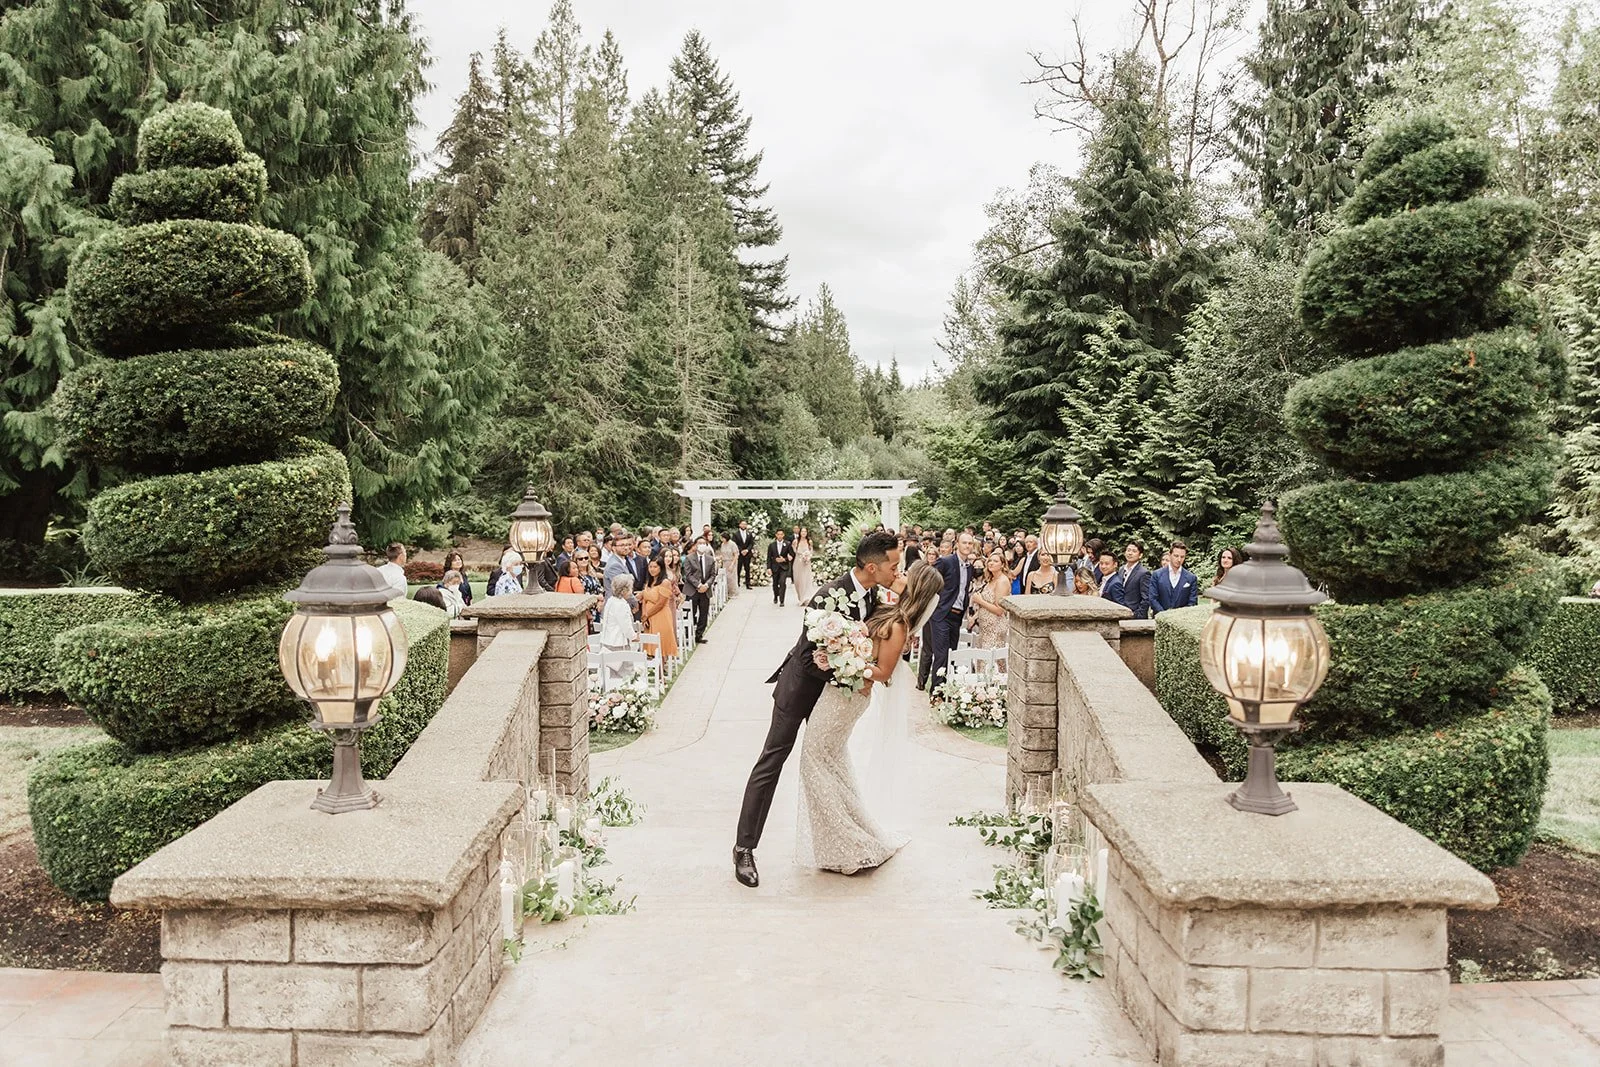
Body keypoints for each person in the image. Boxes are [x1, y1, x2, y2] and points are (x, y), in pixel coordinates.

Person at [734, 531, 903, 888]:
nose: (897, 571)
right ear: (873, 567)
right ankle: (744, 848)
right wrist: (854, 670)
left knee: (829, 762)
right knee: (772, 760)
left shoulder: (873, 596)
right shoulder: (827, 596)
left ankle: (843, 843)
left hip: (833, 699)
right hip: (800, 690)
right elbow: (810, 657)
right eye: (893, 565)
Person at [795, 561, 943, 875]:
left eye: (906, 574)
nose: (899, 574)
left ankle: (850, 843)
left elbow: (883, 672)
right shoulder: (886, 608)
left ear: (916, 587)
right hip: (839, 693)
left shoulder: (899, 624)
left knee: (813, 760)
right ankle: (849, 838)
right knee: (830, 762)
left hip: (847, 700)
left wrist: (843, 661)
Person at [918, 532, 978, 692]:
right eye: (964, 542)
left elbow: (964, 591)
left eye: (970, 543)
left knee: (952, 653)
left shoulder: (969, 567)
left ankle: (945, 690)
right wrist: (933, 608)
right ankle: (936, 693)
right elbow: (929, 584)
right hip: (941, 615)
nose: (967, 546)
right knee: (942, 654)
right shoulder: (945, 561)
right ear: (957, 544)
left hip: (957, 616)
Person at [971, 549, 1011, 664]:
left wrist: (980, 601)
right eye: (990, 561)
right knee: (982, 660)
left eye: (995, 561)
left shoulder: (1002, 581)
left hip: (995, 627)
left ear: (1002, 565)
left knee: (991, 662)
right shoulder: (991, 579)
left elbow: (999, 610)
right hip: (985, 627)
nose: (991, 563)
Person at [639, 559, 679, 661]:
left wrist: (647, 614)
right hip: (648, 616)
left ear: (661, 568)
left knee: (660, 643)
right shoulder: (649, 582)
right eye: (650, 567)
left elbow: (660, 603)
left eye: (655, 567)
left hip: (661, 616)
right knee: (649, 643)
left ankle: (662, 666)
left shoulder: (665, 582)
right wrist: (644, 615)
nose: (652, 569)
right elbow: (644, 599)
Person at [1150, 540, 1200, 615]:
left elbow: (1192, 602)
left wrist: (1178, 617)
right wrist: (1164, 615)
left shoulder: (1191, 578)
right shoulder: (1157, 575)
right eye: (1176, 556)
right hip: (1159, 618)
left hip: (1181, 619)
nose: (1179, 559)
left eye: (1182, 557)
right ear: (1170, 555)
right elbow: (1153, 599)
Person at [684, 537, 718, 642]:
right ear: (695, 545)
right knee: (690, 613)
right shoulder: (689, 558)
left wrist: (706, 585)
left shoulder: (710, 559)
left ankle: (699, 635)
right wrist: (698, 585)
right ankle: (688, 635)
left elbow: (713, 574)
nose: (702, 545)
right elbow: (688, 574)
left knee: (703, 613)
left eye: (704, 543)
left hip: (705, 590)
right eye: (700, 543)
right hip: (692, 590)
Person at [1115, 541, 1152, 620]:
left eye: (1134, 551)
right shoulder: (1121, 569)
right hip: (1119, 613)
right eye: (1128, 550)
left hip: (1134, 616)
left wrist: (1138, 615)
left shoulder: (1144, 573)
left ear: (1140, 555)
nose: (1130, 553)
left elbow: (1146, 598)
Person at [767, 528, 795, 606]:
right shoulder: (771, 545)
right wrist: (768, 568)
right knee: (775, 584)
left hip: (784, 567)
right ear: (776, 535)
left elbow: (792, 555)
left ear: (783, 535)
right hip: (774, 567)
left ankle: (782, 600)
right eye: (778, 534)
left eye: (781, 534)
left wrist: (784, 559)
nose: (780, 536)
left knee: (782, 582)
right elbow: (769, 557)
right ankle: (776, 596)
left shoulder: (788, 544)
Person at [793, 527, 816, 603]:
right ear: (800, 533)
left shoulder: (809, 541)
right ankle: (800, 597)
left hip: (806, 563)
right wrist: (801, 555)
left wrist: (808, 557)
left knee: (806, 580)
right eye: (802, 531)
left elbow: (811, 551)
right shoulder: (796, 541)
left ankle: (806, 598)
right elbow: (793, 551)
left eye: (805, 531)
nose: (803, 533)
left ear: (807, 533)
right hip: (798, 563)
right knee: (798, 581)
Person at [732, 521, 756, 588]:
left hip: (747, 554)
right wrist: (741, 551)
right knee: (738, 569)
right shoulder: (735, 534)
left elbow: (751, 543)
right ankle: (737, 583)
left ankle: (748, 584)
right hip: (739, 554)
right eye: (742, 524)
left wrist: (747, 550)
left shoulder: (749, 534)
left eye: (745, 524)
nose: (743, 525)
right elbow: (734, 544)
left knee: (747, 569)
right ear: (739, 525)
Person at [719, 532, 739, 599]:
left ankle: (733, 593)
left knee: (731, 578)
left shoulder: (732, 544)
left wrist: (732, 564)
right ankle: (727, 593)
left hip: (731, 561)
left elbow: (736, 555)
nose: (721, 539)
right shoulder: (722, 544)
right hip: (725, 562)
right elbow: (722, 554)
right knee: (726, 578)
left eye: (722, 538)